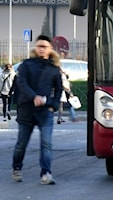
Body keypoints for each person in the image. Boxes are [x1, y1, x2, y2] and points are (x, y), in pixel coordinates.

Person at [11, 35, 63, 185]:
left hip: (45, 112)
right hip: (27, 110)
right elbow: (21, 83)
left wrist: (53, 105)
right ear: (35, 48)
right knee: (22, 143)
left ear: (50, 49)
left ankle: (46, 173)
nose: (41, 49)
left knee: (46, 144)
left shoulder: (54, 69)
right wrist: (34, 97)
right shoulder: (26, 65)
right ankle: (17, 168)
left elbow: (59, 89)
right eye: (39, 46)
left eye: (44, 46)